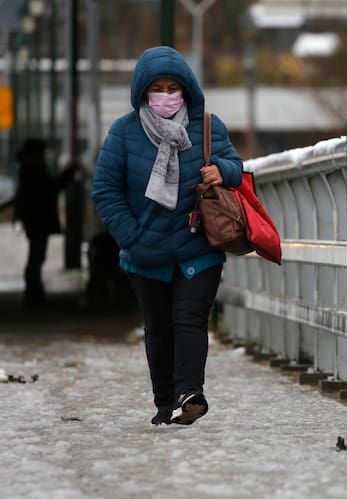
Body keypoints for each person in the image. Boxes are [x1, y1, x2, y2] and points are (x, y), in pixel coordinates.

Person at [91, 46, 243, 426]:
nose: (165, 95)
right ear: (143, 92)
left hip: (197, 245)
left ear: (186, 89)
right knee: (158, 327)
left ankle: (190, 393)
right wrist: (132, 236)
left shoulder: (208, 126)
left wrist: (220, 170)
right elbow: (105, 189)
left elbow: (237, 168)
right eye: (156, 87)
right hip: (145, 250)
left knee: (190, 318)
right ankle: (165, 402)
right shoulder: (124, 132)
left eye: (172, 87)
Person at [12, 138, 81, 309]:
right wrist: (66, 176)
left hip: (33, 218)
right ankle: (33, 295)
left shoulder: (27, 169)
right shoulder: (32, 169)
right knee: (36, 256)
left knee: (36, 256)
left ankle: (34, 294)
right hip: (37, 218)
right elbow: (47, 188)